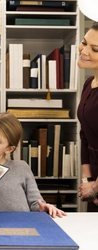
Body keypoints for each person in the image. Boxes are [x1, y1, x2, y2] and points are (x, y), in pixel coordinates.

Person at [0, 112, 66, 218]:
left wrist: (44, 207)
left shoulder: (22, 168)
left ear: (9, 149)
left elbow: (36, 203)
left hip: (24, 225)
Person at [77, 22, 98, 211]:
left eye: (95, 49)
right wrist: (87, 181)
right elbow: (85, 135)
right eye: (84, 43)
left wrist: (96, 187)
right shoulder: (89, 83)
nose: (84, 51)